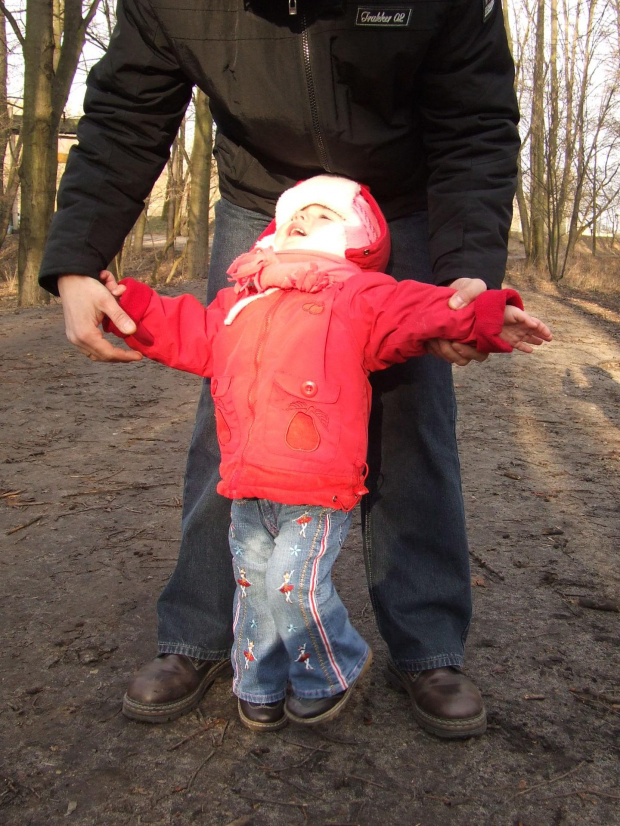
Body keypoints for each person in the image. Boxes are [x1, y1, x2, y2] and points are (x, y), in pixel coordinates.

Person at [39, 1, 521, 738]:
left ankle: (428, 646)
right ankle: (198, 635)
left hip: (402, 198)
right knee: (233, 404)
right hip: (267, 202)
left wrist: (468, 280)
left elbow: (474, 120)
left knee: (411, 412)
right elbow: (128, 113)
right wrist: (78, 260)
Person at [101, 175, 550, 732]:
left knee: (293, 584)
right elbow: (185, 329)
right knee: (255, 588)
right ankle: (259, 683)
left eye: (321, 217)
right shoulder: (238, 300)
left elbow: (417, 309)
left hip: (316, 486)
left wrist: (480, 315)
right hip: (245, 480)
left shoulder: (360, 295)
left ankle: (332, 669)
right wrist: (129, 305)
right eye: (294, 216)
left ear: (356, 239)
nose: (302, 222)